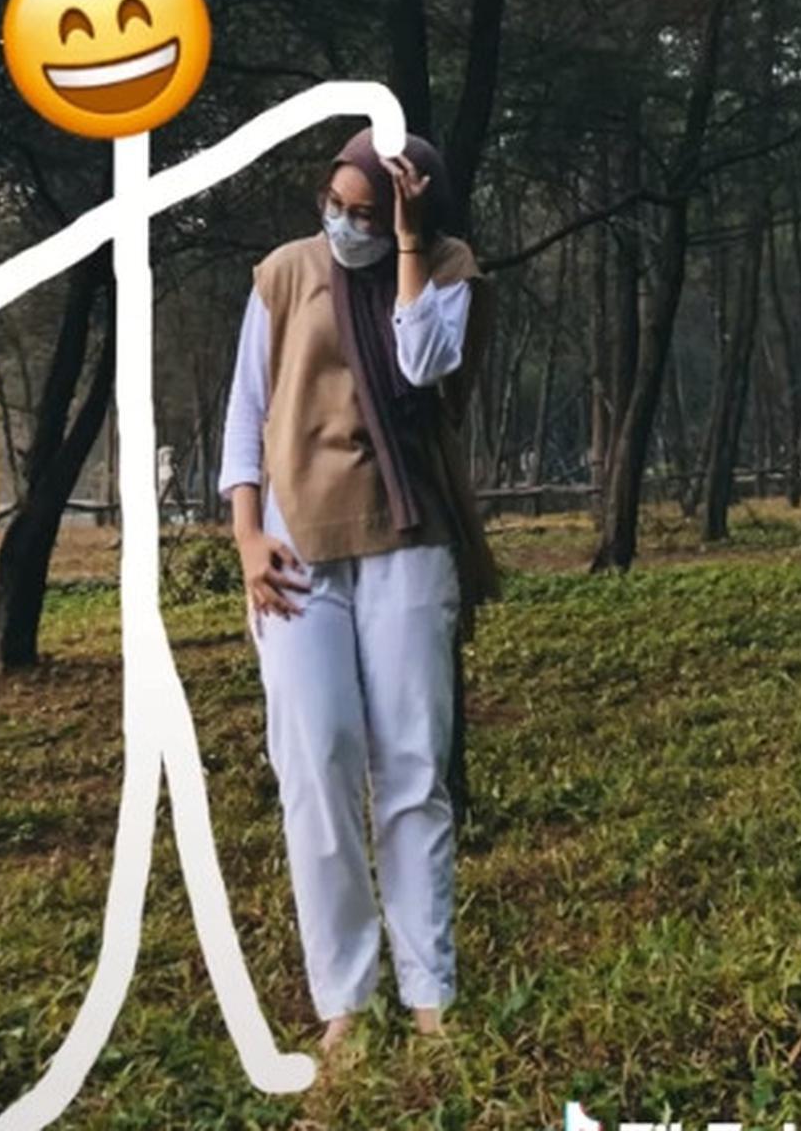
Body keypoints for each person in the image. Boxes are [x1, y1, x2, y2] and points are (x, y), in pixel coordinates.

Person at [217, 125, 502, 1058]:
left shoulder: (449, 267)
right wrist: (247, 536)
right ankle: (344, 994)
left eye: (367, 213)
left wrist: (410, 246)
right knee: (318, 764)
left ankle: (430, 993)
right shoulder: (283, 273)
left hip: (408, 539)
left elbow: (422, 366)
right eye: (334, 206)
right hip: (295, 544)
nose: (345, 226)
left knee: (413, 770)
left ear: (410, 208)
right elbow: (247, 412)